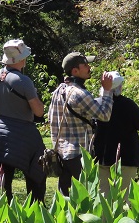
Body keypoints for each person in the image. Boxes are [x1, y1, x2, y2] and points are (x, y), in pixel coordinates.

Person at [0, 39, 47, 202]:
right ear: (22, 59)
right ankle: (35, 210)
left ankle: (4, 213)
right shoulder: (23, 81)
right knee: (37, 170)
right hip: (22, 134)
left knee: (3, 180)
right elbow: (39, 111)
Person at [48, 51, 114, 196]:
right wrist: (107, 91)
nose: (89, 67)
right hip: (79, 156)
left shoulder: (58, 91)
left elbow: (51, 122)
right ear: (75, 71)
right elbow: (104, 115)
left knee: (65, 200)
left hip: (61, 155)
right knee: (84, 200)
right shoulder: (79, 93)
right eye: (85, 65)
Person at [92, 72, 139, 196]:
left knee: (103, 197)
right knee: (125, 197)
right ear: (119, 87)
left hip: (102, 157)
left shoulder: (96, 104)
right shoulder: (128, 104)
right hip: (126, 157)